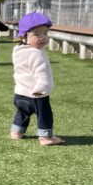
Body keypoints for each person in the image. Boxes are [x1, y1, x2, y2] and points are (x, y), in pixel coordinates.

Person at [11, 12, 64, 146]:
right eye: (36, 34)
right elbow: (41, 74)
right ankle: (46, 137)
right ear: (24, 36)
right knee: (44, 115)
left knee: (22, 113)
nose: (42, 38)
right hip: (37, 94)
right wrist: (41, 88)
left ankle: (16, 131)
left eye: (45, 33)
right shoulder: (37, 54)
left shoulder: (18, 51)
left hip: (20, 93)